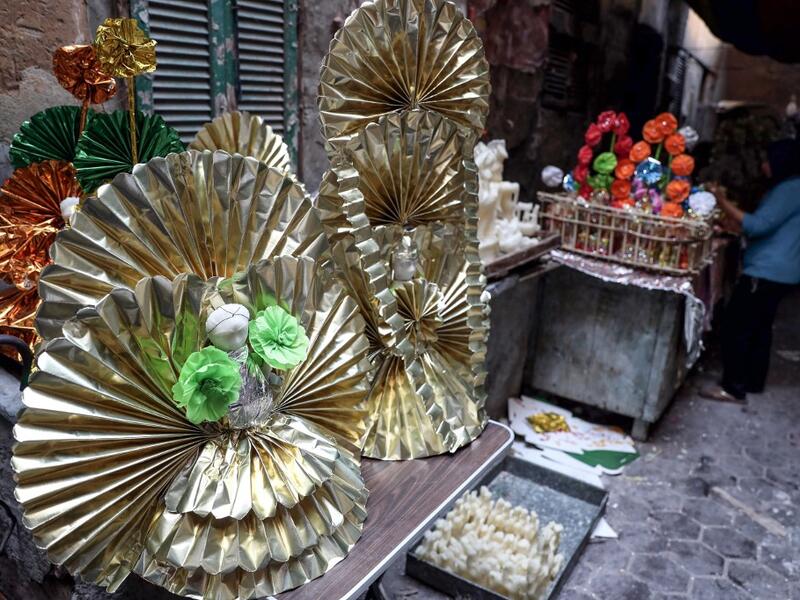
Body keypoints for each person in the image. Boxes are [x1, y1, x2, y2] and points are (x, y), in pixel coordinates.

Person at [702, 139, 800, 403]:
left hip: (767, 270)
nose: (764, 166)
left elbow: (758, 226)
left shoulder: (790, 190)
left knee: (738, 324)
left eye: (768, 160)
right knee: (760, 327)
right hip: (783, 270)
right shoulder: (791, 188)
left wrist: (721, 201)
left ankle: (733, 387)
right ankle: (753, 380)